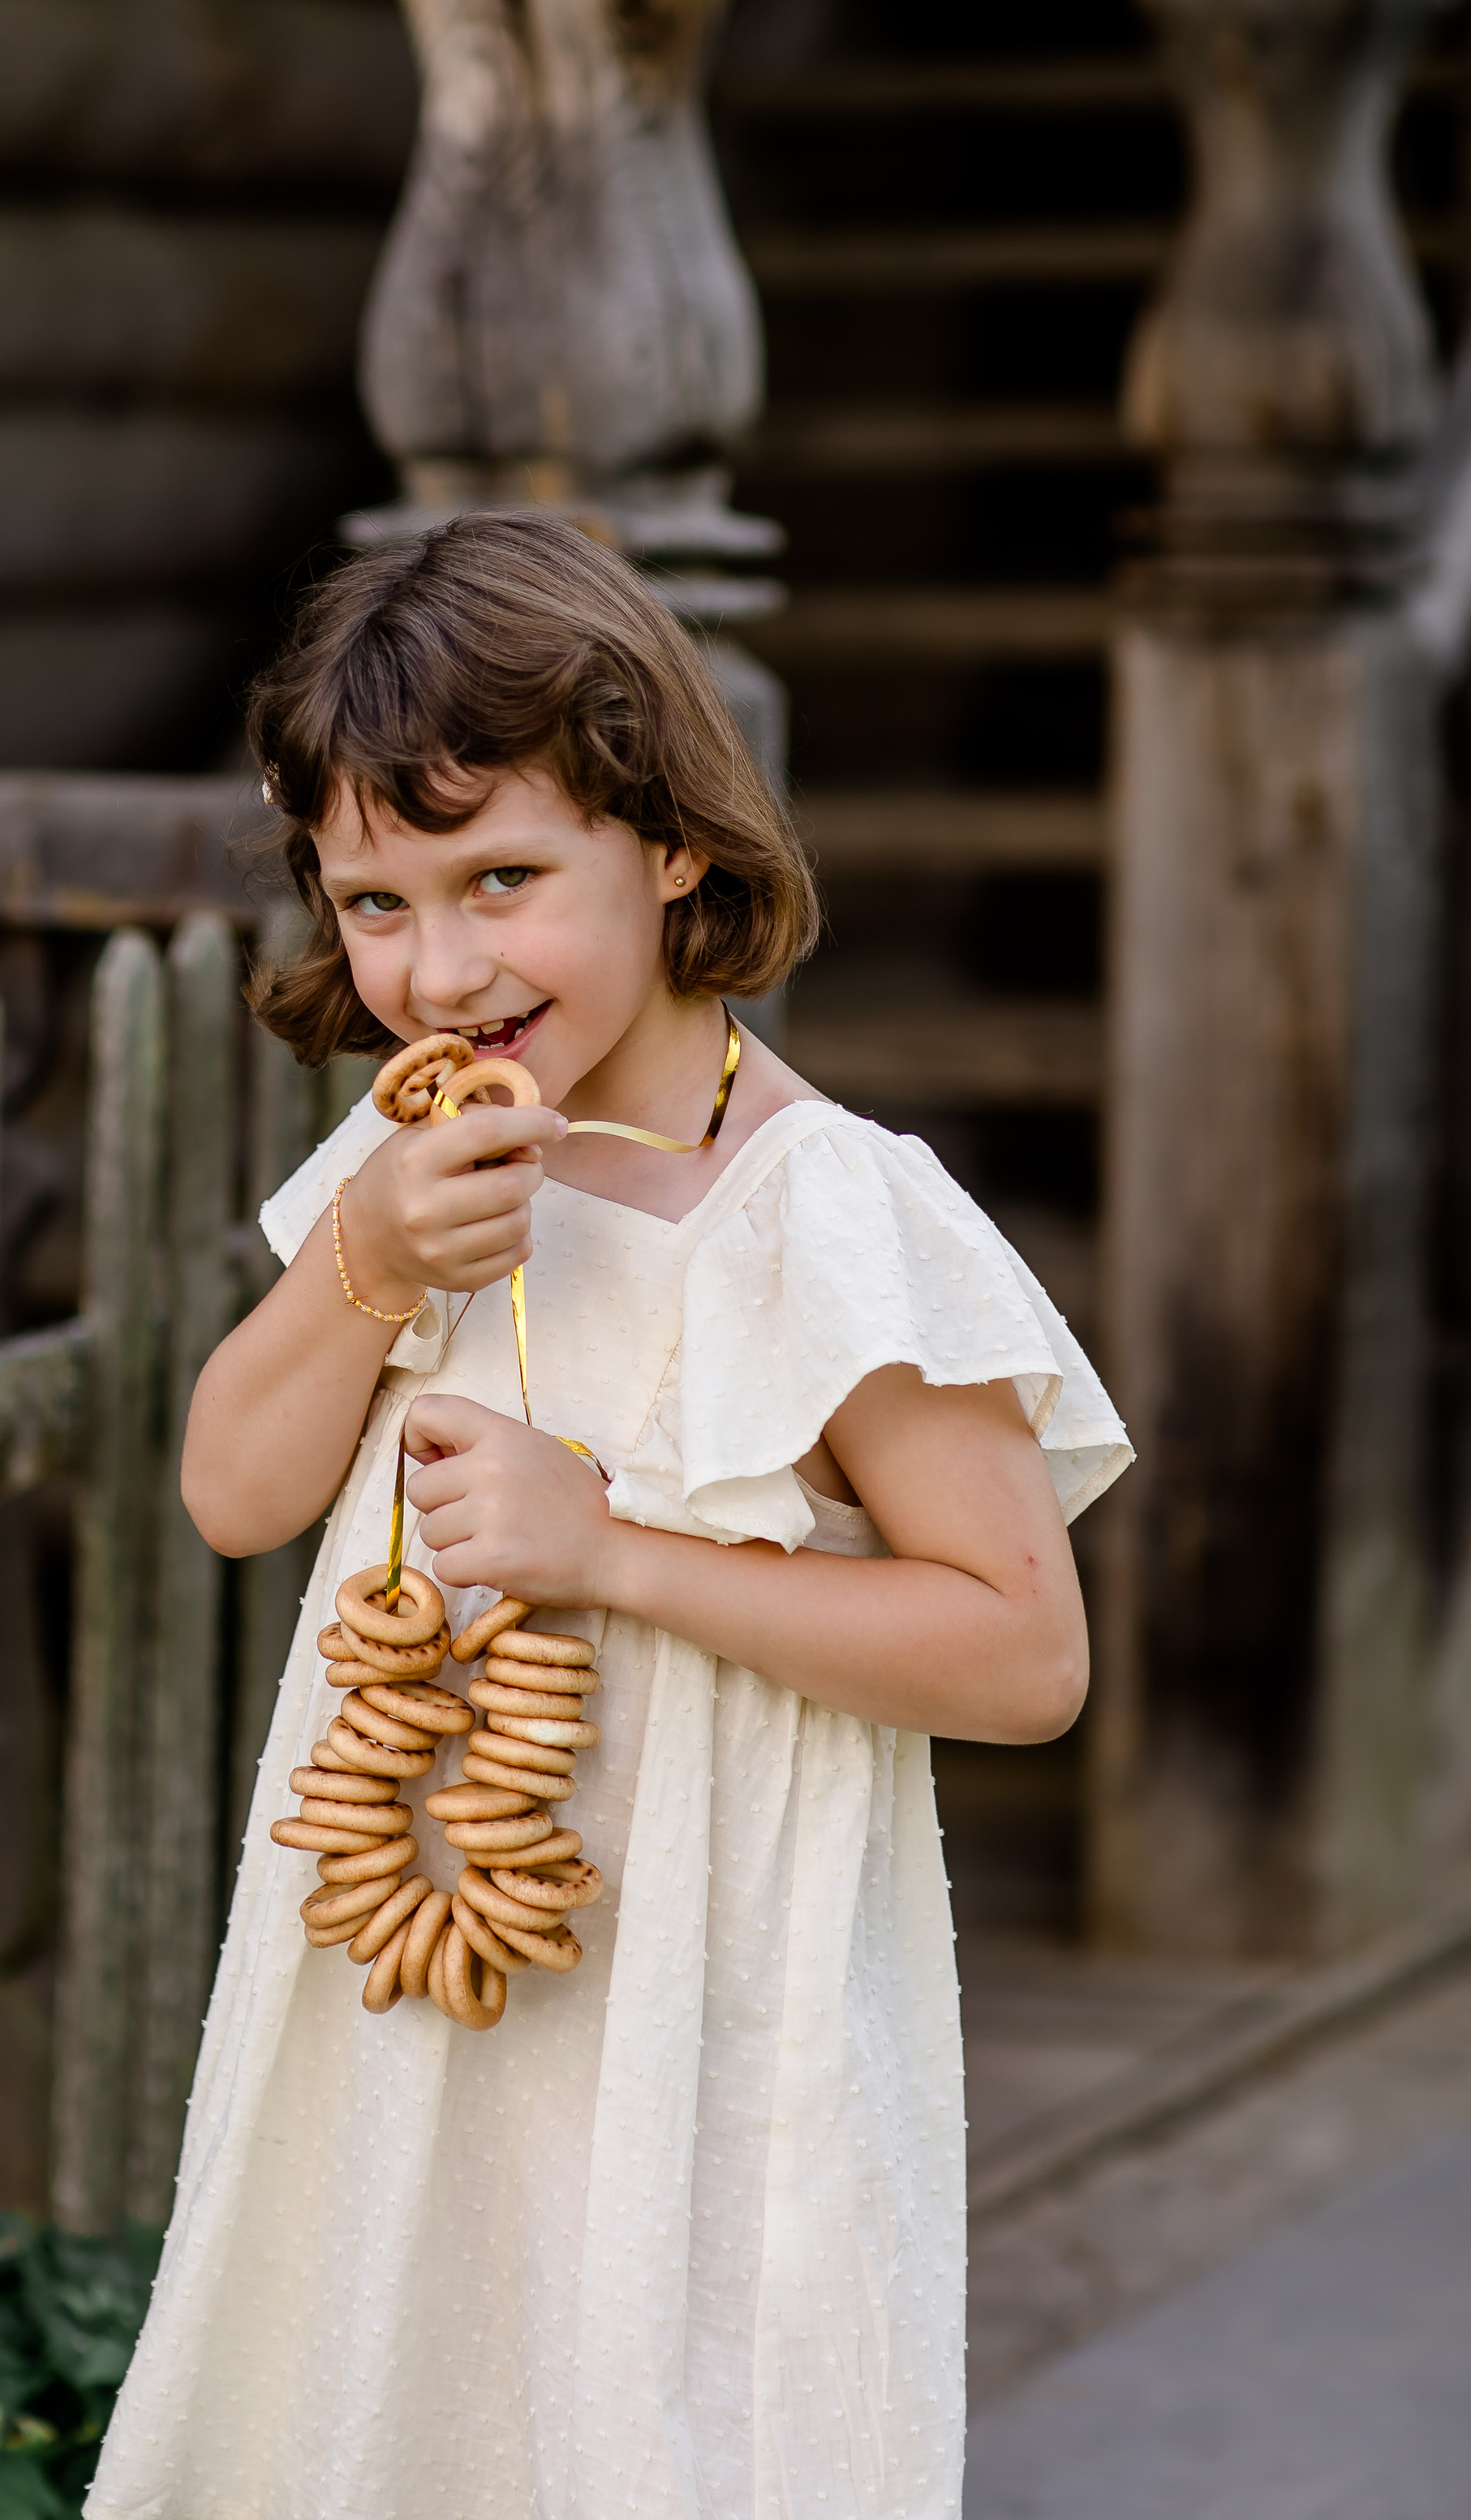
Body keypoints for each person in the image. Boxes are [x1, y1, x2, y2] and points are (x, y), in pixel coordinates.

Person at [86, 514, 1129, 2520]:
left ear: (668, 848)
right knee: (380, 2412)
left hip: (709, 2029)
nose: (442, 970)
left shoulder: (829, 1218)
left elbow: (1021, 1653)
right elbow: (232, 1488)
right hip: (408, 1986)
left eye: (503, 880)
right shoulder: (416, 1170)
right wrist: (366, 1269)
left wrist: (615, 1555)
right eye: (374, 902)